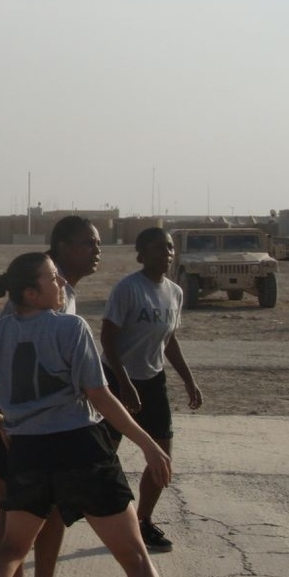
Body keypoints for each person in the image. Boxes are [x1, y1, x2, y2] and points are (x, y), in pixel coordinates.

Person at [0, 252, 172, 577]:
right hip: (81, 449)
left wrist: (0, 421)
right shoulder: (71, 328)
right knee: (134, 557)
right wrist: (148, 444)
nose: (61, 284)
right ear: (30, 293)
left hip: (27, 453)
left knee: (10, 550)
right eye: (52, 278)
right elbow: (100, 397)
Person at [0, 216, 101, 577]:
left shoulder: (60, 293)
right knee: (14, 511)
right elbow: (4, 376)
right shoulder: (37, 294)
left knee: (51, 505)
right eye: (88, 243)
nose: (97, 251)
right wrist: (4, 423)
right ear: (63, 248)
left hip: (20, 412)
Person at [100, 226, 203, 553]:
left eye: (170, 248)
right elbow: (108, 339)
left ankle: (142, 521)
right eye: (159, 249)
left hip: (152, 382)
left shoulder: (175, 292)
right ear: (142, 255)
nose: (167, 254)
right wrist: (125, 383)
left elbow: (169, 340)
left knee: (161, 458)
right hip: (116, 380)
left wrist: (188, 379)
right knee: (101, 457)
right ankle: (77, 516)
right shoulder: (128, 289)